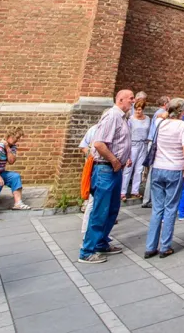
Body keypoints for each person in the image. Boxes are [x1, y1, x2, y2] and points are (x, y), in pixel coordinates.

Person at [79, 90, 134, 263]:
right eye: (131, 98)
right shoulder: (112, 116)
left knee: (111, 209)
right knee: (100, 211)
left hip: (114, 170)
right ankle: (87, 251)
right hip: (105, 169)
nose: (133, 101)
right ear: (120, 100)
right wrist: (115, 161)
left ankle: (101, 242)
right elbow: (99, 143)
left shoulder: (122, 118)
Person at [145, 98, 184, 259]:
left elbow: (161, 115)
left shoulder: (160, 123)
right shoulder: (183, 125)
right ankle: (165, 247)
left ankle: (150, 246)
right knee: (171, 208)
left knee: (157, 209)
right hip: (174, 169)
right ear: (183, 112)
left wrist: (169, 110)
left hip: (157, 168)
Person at [79, 108, 113, 234]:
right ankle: (86, 231)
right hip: (97, 167)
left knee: (101, 202)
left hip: (105, 168)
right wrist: (91, 155)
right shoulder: (94, 129)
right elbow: (83, 146)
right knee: (93, 201)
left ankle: (99, 233)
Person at [122, 95, 151, 203]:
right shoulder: (131, 119)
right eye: (137, 109)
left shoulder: (147, 118)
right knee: (128, 168)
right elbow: (127, 134)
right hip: (133, 144)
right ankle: (123, 191)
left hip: (143, 144)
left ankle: (135, 190)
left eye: (140, 109)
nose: (138, 111)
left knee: (139, 169)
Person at [142, 93, 167, 209]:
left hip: (153, 143)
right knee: (153, 171)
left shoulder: (158, 113)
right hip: (155, 144)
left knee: (153, 171)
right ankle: (148, 199)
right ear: (165, 104)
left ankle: (149, 198)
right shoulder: (161, 115)